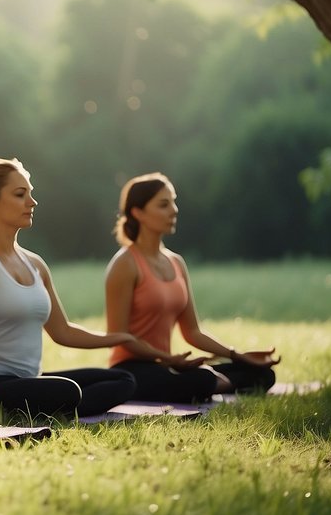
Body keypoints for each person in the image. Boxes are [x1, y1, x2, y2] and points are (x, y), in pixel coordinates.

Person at [0, 159, 138, 418]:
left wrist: (120, 338)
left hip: (30, 379)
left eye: (30, 194)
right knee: (67, 391)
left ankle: (57, 405)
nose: (32, 202)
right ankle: (18, 404)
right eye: (20, 194)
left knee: (124, 379)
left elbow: (63, 332)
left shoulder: (35, 264)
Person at [104, 172, 279, 402]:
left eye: (174, 202)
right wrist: (167, 359)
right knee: (202, 379)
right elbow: (119, 336)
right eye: (164, 205)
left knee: (262, 374)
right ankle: (213, 383)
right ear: (138, 213)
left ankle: (217, 383)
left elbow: (192, 332)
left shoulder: (176, 263)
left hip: (170, 363)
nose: (174, 210)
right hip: (132, 368)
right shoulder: (125, 264)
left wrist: (239, 356)